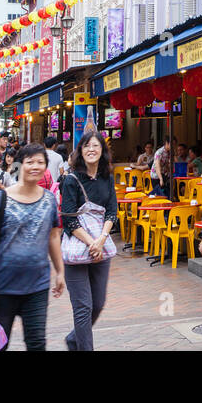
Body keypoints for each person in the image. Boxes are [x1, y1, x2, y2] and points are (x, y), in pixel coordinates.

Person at [0, 144, 65, 351]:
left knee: (37, 343)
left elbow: (53, 237)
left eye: (40, 162)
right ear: (19, 165)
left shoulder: (49, 199)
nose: (35, 166)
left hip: (37, 286)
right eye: (30, 161)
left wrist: (60, 271)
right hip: (2, 286)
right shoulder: (0, 198)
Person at [60, 130, 119, 351]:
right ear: (80, 151)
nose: (91, 150)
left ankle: (75, 339)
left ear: (102, 150)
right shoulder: (71, 179)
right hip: (77, 247)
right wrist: (91, 242)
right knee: (83, 307)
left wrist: (101, 239)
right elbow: (67, 218)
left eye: (95, 146)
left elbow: (112, 212)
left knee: (98, 304)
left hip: (100, 246)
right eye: (86, 146)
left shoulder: (107, 178)